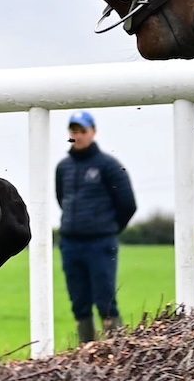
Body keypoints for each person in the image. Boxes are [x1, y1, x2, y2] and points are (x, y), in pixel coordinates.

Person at [55, 111, 137, 343]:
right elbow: (61, 198)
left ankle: (116, 354)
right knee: (79, 302)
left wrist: (107, 228)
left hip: (100, 243)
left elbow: (128, 204)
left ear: (93, 132)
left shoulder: (109, 166)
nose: (77, 136)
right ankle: (86, 355)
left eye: (82, 131)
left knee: (106, 300)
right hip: (71, 244)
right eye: (73, 131)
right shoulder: (63, 167)